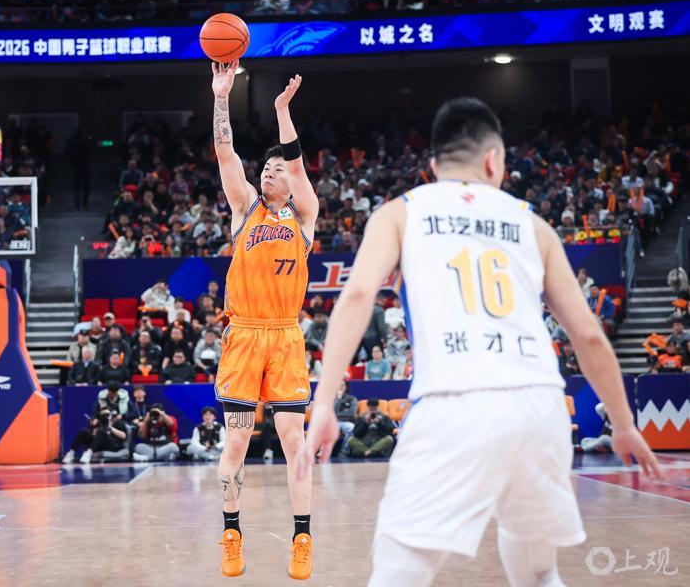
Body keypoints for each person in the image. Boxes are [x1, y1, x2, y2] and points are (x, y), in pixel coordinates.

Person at [302, 97, 661, 587]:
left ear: (433, 166)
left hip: (454, 402)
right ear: (494, 161)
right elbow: (589, 336)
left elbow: (360, 294)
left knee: (398, 573)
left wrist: (324, 402)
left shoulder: (400, 213)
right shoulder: (533, 223)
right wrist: (622, 424)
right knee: (539, 571)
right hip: (540, 406)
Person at [212, 61, 317, 579]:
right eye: (266, 168)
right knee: (236, 441)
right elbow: (225, 152)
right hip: (245, 335)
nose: (270, 172)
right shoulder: (244, 209)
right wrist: (221, 95)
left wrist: (281, 111)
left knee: (295, 442)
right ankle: (232, 533)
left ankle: (302, 538)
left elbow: (296, 163)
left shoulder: (304, 216)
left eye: (278, 169)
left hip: (285, 337)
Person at [63, 407, 130, 464]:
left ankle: (89, 453)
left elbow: (123, 436)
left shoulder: (117, 422)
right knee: (83, 432)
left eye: (107, 414)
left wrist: (110, 428)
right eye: (103, 415)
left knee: (101, 432)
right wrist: (93, 426)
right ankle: (71, 453)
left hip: (113, 445)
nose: (106, 417)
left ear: (111, 415)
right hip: (99, 445)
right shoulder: (100, 424)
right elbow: (94, 437)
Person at [333, 380, 358, 454]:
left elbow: (351, 413)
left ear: (346, 387)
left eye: (342, 385)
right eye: (338, 385)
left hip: (346, 422)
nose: (340, 387)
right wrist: (338, 399)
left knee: (351, 428)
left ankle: (344, 451)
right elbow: (329, 412)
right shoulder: (331, 398)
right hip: (333, 422)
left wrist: (337, 415)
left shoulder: (352, 399)